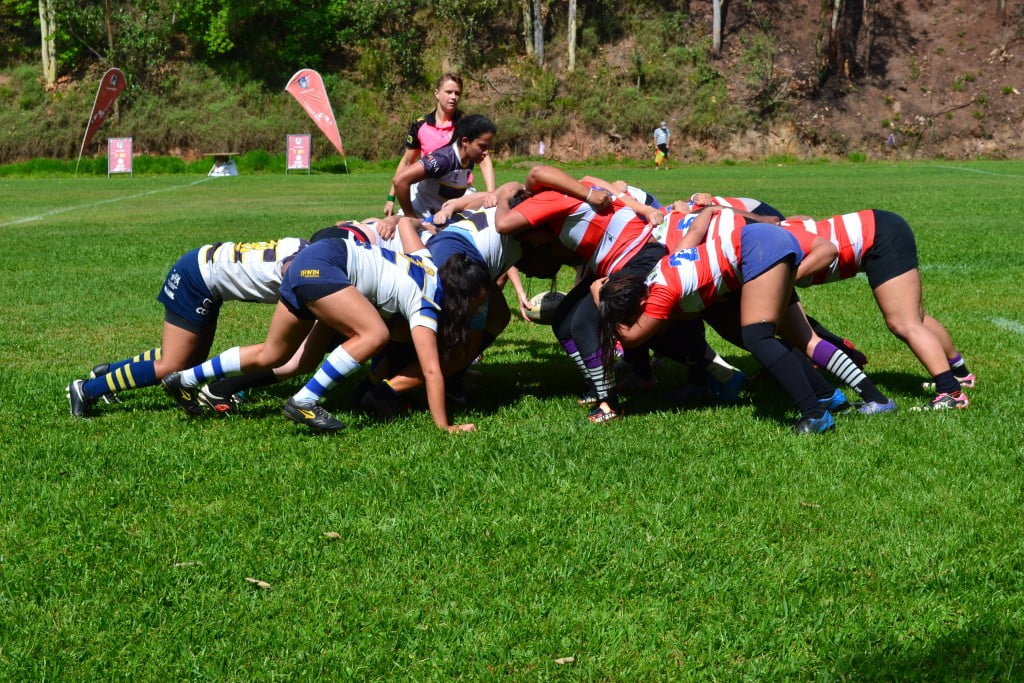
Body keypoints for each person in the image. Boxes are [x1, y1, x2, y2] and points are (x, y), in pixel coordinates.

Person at [161, 238, 490, 434]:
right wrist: (445, 427)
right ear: (463, 294)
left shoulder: (431, 263)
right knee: (373, 334)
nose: (481, 306)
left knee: (274, 354)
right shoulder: (427, 303)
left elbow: (406, 230)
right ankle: (304, 402)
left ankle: (184, 379)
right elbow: (431, 370)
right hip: (324, 266)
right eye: (479, 299)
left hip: (313, 261)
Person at [595, 223, 841, 434]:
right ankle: (827, 395)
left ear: (641, 303)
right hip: (761, 239)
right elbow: (693, 238)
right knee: (764, 339)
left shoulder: (661, 294)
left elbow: (631, 338)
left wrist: (597, 296)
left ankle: (814, 413)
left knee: (758, 338)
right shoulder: (655, 275)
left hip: (759, 246)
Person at [495, 164, 673, 423]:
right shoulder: (579, 186)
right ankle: (598, 385)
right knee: (564, 320)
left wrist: (501, 196)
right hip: (623, 260)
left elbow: (507, 217)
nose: (532, 245)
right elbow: (609, 190)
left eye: (528, 240)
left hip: (639, 257)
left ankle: (610, 404)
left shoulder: (547, 200)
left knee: (582, 323)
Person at [66, 237, 307, 418]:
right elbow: (290, 270)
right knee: (174, 365)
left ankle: (107, 372)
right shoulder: (309, 268)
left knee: (190, 358)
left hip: (205, 275)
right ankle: (87, 389)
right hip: (196, 278)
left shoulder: (315, 248)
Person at [777, 209, 973, 409]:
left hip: (878, 236)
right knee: (915, 317)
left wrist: (785, 278)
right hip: (880, 227)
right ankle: (960, 374)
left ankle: (951, 393)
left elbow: (828, 252)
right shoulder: (770, 229)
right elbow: (803, 220)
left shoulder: (767, 247)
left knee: (904, 323)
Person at [384, 73, 496, 217]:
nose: (453, 97)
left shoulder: (465, 124)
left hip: (460, 191)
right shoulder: (420, 125)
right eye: (449, 92)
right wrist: (391, 197)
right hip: (426, 192)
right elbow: (406, 162)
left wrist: (491, 193)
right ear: (436, 93)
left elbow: (484, 159)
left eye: (457, 93)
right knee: (398, 225)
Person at [392, 114, 497, 221]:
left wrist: (491, 194)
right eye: (482, 146)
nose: (486, 153)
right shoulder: (443, 160)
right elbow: (400, 181)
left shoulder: (468, 159)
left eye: (488, 147)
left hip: (438, 220)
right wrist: (411, 218)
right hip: (420, 221)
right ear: (465, 141)